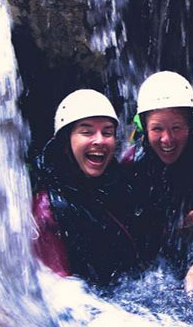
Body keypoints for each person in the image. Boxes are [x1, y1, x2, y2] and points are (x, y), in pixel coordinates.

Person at [124, 71, 193, 301]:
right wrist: (175, 229)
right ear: (144, 130)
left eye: (176, 128)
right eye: (157, 129)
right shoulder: (134, 166)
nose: (167, 139)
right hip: (160, 265)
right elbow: (136, 235)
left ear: (191, 125)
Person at [31, 89, 140, 288]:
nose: (99, 140)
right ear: (66, 141)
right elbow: (59, 291)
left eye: (107, 132)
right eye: (87, 132)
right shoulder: (47, 209)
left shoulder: (119, 183)